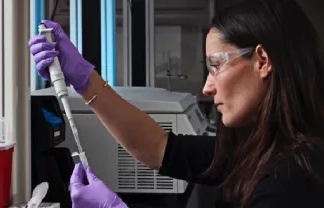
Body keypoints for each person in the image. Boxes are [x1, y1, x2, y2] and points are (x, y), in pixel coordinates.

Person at [28, 0, 324, 207]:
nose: (207, 87)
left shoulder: (293, 180)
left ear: (261, 61)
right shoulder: (261, 148)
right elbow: (159, 147)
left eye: (216, 65)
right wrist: (84, 78)